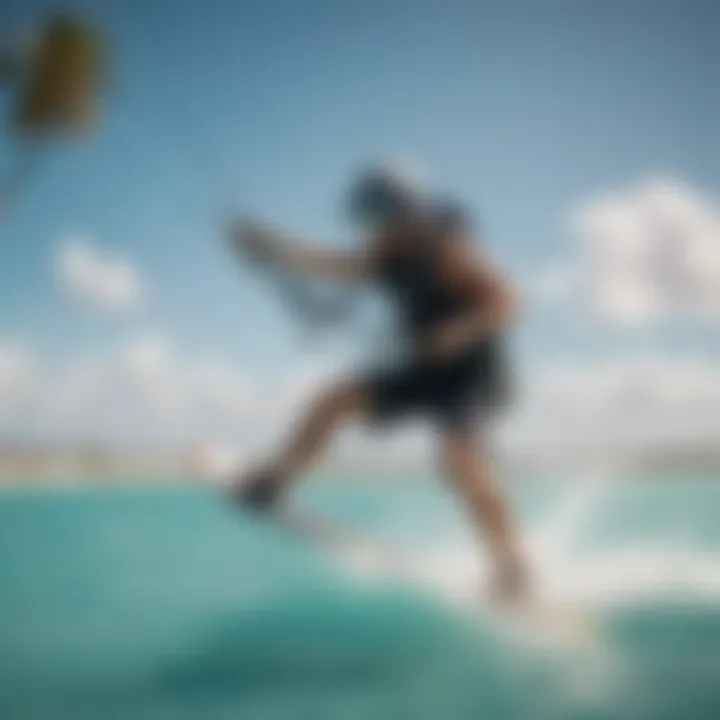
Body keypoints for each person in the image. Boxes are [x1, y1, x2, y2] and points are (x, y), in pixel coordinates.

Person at [229, 165, 529, 604]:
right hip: (423, 369)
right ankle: (274, 481)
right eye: (364, 220)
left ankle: (512, 569)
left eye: (381, 217)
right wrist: (272, 247)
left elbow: (508, 300)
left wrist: (460, 331)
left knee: (458, 459)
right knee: (333, 400)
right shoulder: (382, 256)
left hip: (473, 372)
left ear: (408, 211)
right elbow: (326, 262)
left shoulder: (447, 251)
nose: (374, 230)